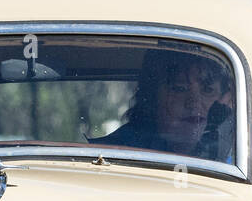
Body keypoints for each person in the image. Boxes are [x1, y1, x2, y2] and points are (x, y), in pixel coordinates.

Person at [95, 50, 233, 162]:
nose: (194, 103)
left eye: (207, 90)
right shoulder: (116, 152)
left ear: (224, 100)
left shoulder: (233, 153)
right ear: (152, 96)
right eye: (179, 88)